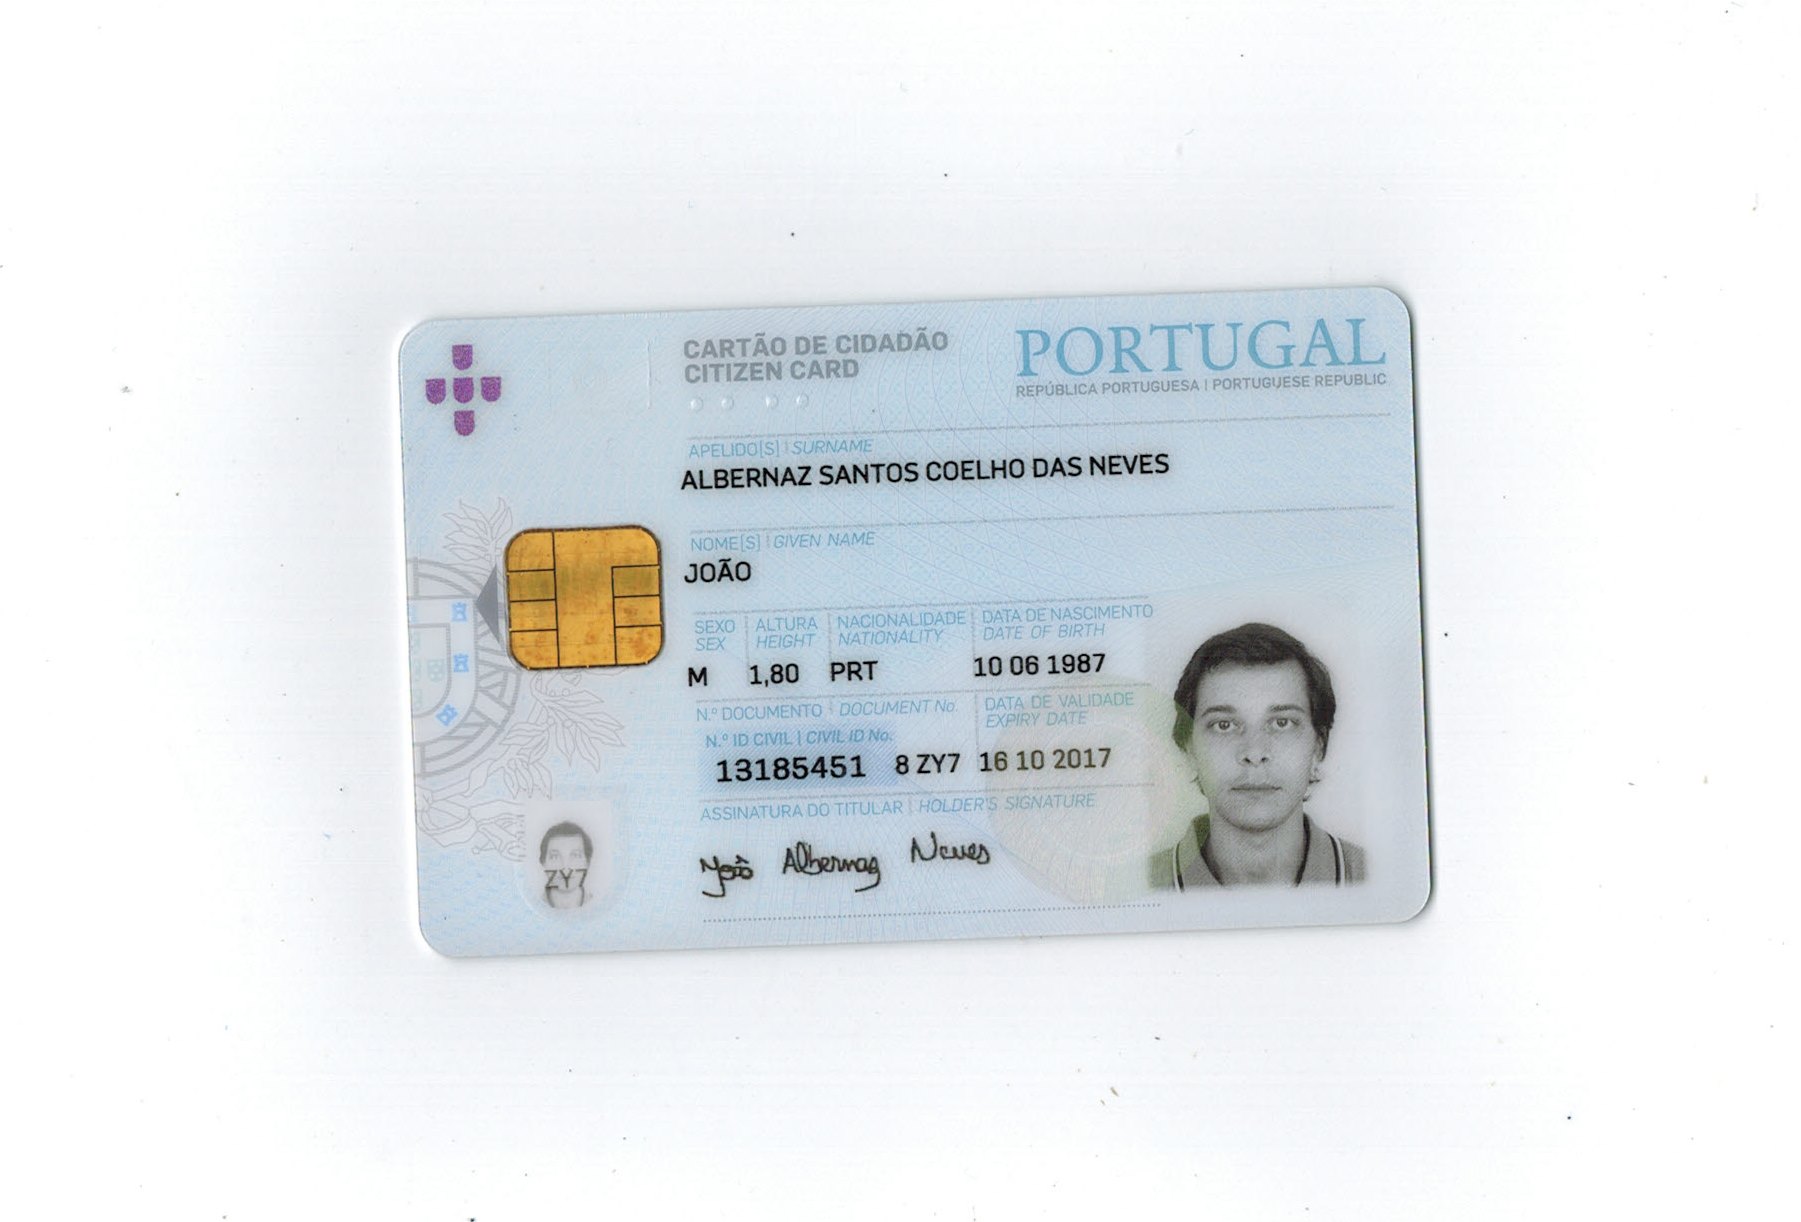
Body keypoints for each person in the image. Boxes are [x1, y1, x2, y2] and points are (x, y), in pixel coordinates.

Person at [1159, 623, 1365, 888]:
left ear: (1317, 748)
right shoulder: (1134, 887)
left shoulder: (1382, 877)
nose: (1254, 753)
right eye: (1224, 725)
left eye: (1281, 723)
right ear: (1189, 752)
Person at [540, 821, 593, 909]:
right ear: (543, 863)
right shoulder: (533, 905)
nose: (565, 868)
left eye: (575, 855)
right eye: (555, 857)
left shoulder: (599, 906)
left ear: (587, 863)